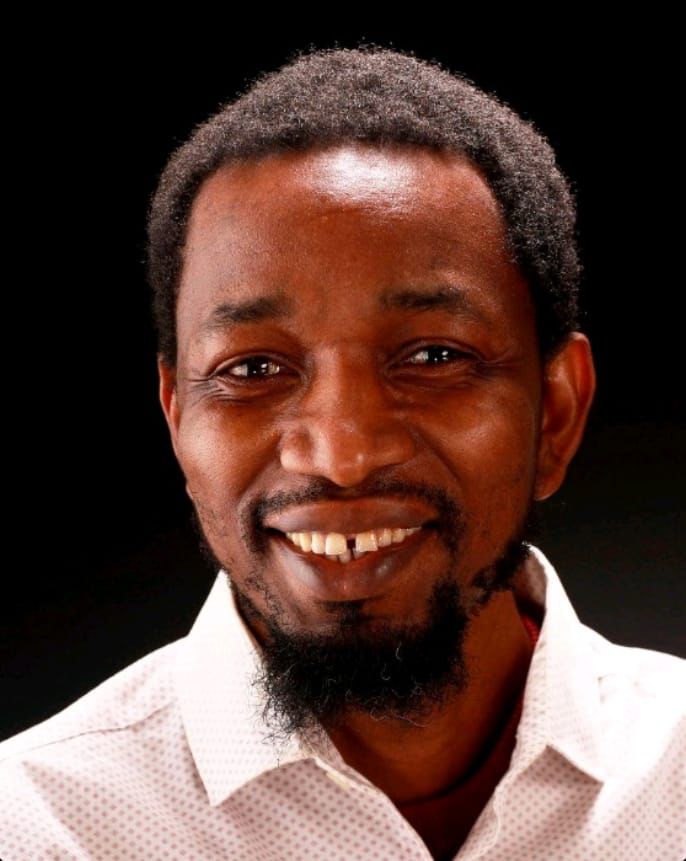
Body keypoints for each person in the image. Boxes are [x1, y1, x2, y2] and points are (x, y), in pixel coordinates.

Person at [1, 44, 684, 861]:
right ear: (177, 419)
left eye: (433, 355)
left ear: (557, 415)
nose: (342, 454)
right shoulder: (35, 828)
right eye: (253, 369)